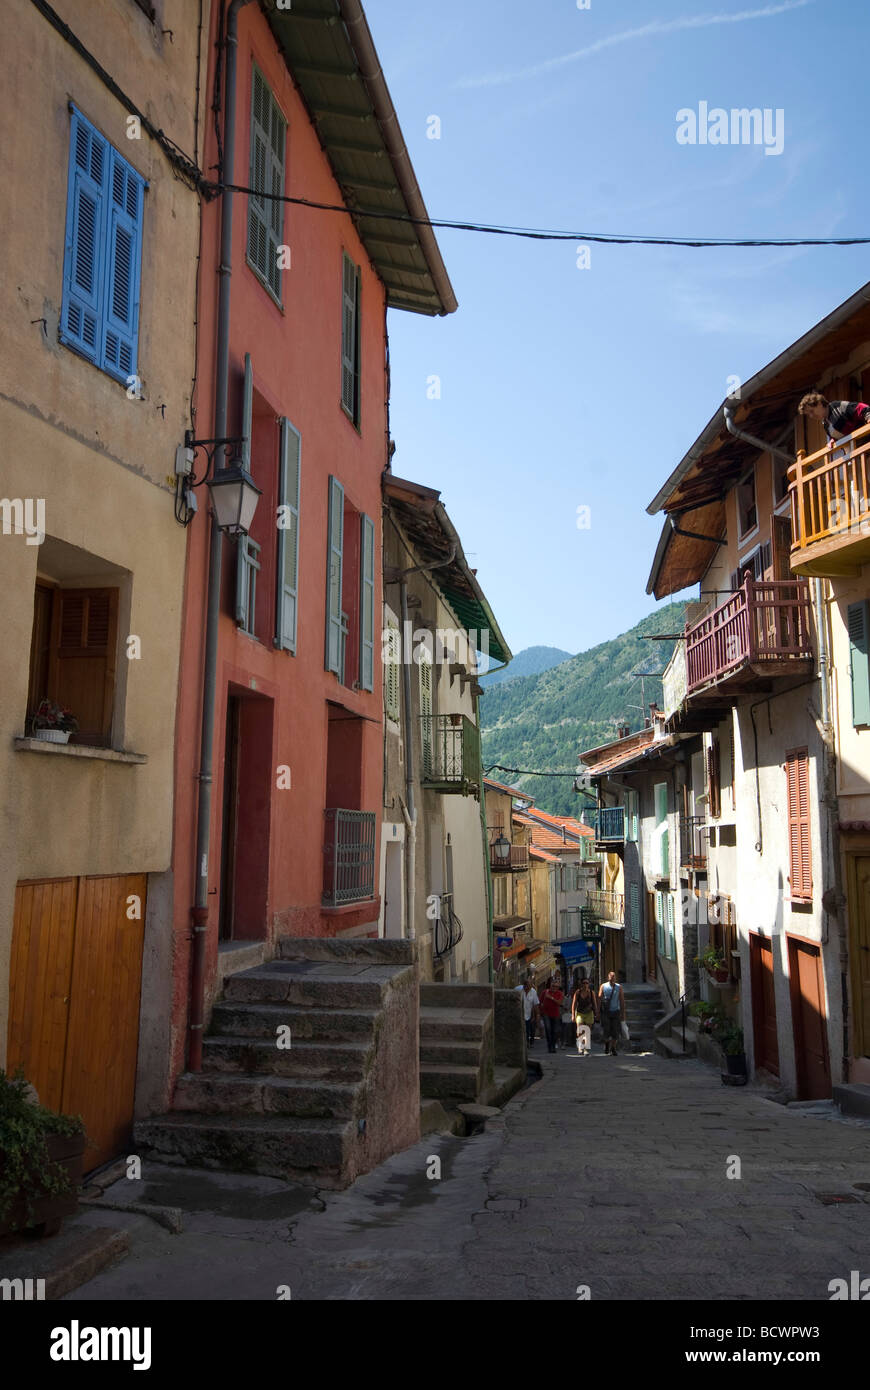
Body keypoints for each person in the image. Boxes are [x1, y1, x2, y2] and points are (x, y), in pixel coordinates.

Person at [798, 393, 870, 447]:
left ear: (819, 404)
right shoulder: (826, 424)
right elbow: (840, 434)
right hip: (858, 451)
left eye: (812, 411)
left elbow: (862, 408)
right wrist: (833, 440)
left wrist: (869, 417)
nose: (811, 416)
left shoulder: (839, 407)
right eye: (808, 414)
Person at [598, 971, 625, 1056]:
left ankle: (613, 1047)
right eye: (611, 977)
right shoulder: (603, 986)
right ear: (608, 978)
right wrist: (598, 1011)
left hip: (616, 1011)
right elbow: (599, 998)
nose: (612, 979)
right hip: (606, 1012)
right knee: (606, 1030)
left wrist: (623, 1013)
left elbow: (621, 1000)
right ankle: (607, 1044)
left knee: (615, 1031)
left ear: (615, 978)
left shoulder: (619, 987)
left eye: (614, 977)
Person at [572, 976, 598, 1055]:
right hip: (580, 1013)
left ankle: (586, 1049)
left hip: (589, 1013)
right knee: (580, 1031)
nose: (585, 984)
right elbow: (574, 1004)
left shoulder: (591, 993)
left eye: (587, 983)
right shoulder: (578, 992)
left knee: (587, 1031)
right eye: (584, 983)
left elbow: (594, 1003)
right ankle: (580, 1046)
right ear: (581, 984)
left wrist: (596, 1013)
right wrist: (573, 1015)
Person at [539, 975, 564, 1054]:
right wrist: (540, 1012)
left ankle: (553, 1045)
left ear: (558, 987)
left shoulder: (560, 993)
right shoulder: (545, 992)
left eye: (556, 986)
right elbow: (540, 1002)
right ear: (550, 985)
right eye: (553, 986)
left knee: (555, 1031)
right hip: (546, 1013)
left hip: (555, 1014)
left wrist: (551, 998)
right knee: (548, 1029)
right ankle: (550, 1046)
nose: (554, 988)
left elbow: (559, 1003)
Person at [517, 976, 539, 1048]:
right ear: (524, 985)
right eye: (527, 987)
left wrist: (536, 1015)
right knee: (524, 1029)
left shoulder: (533, 992)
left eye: (529, 987)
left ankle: (529, 1042)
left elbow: (535, 1004)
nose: (528, 988)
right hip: (520, 1014)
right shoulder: (518, 990)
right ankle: (525, 1043)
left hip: (529, 1014)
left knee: (529, 1029)